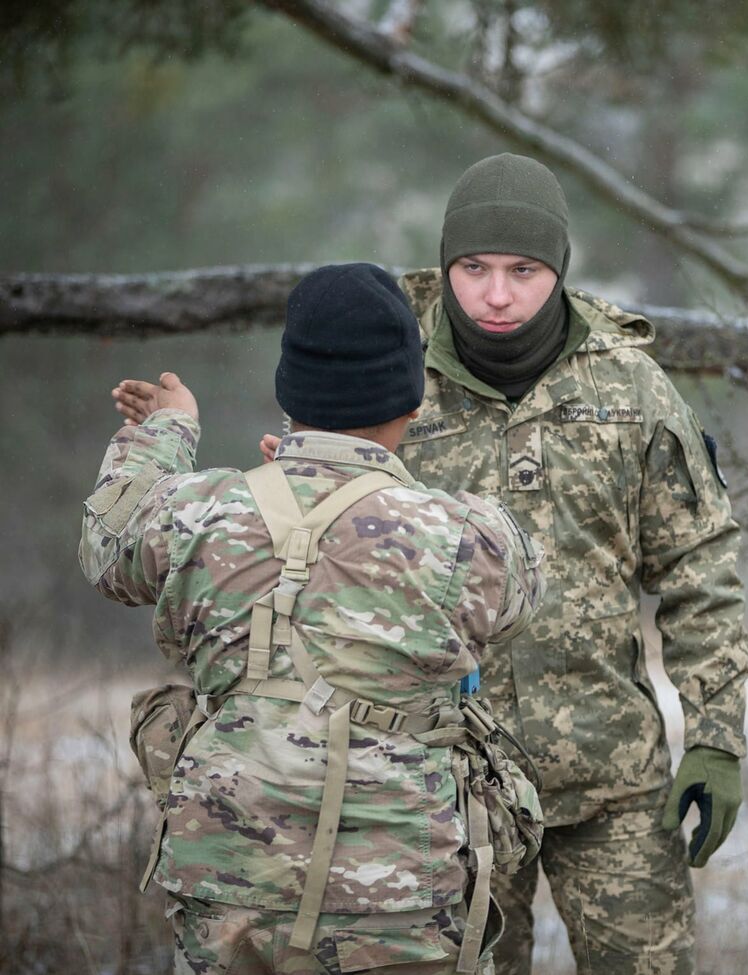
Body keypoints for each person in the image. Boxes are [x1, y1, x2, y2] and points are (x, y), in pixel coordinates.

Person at [80, 263, 544, 974]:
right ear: (410, 402)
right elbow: (516, 602)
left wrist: (169, 431)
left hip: (231, 887)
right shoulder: (463, 535)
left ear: (289, 394)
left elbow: (107, 547)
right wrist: (382, 495)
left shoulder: (202, 513)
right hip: (397, 901)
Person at [383, 153, 748, 974]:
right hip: (448, 784)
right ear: (446, 267)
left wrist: (717, 739)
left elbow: (701, 574)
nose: (498, 294)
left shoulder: (631, 390)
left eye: (525, 269)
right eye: (473, 269)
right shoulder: (396, 387)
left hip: (613, 785)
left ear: (561, 268)